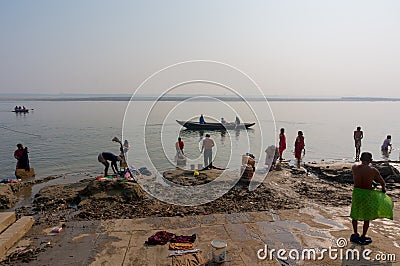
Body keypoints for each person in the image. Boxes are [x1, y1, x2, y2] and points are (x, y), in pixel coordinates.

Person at [350, 152, 388, 245]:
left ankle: (355, 233)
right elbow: (383, 183)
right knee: (367, 216)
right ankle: (363, 236)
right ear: (371, 160)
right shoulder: (373, 170)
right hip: (367, 193)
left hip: (357, 193)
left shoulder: (354, 167)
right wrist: (383, 189)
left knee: (355, 213)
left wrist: (372, 182)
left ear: (361, 159)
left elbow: (360, 176)